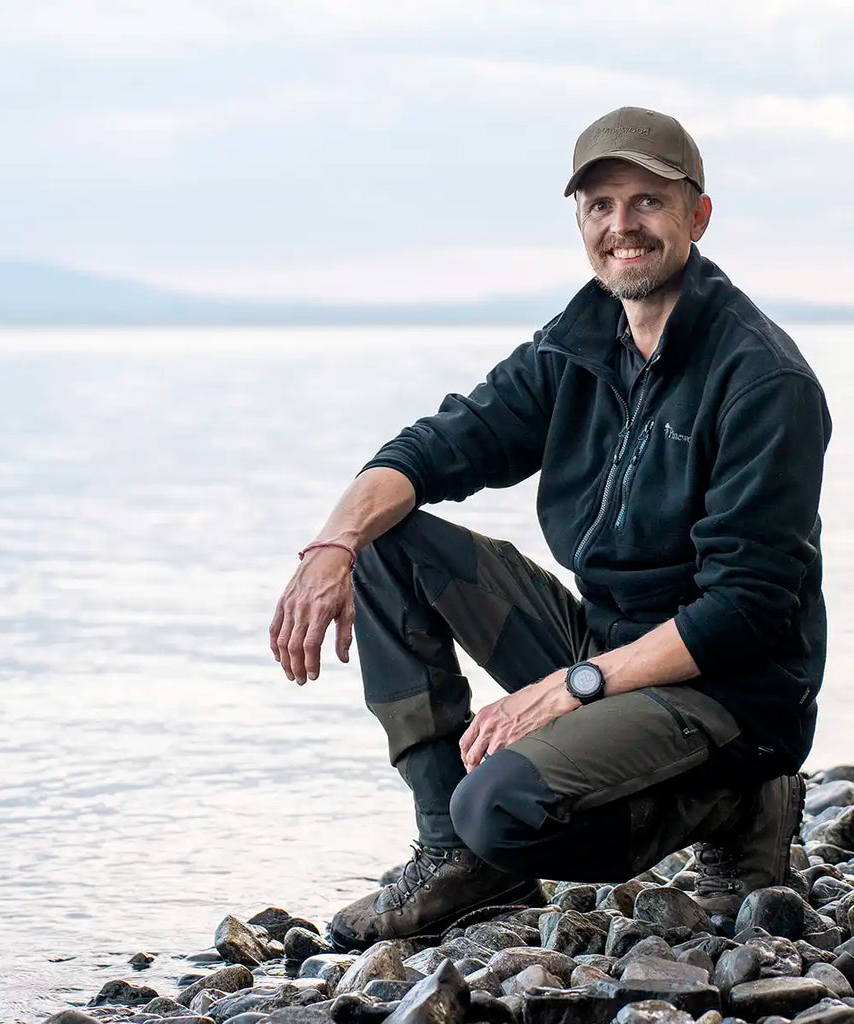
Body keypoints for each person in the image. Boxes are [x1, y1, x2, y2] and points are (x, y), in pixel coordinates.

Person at [269, 106, 831, 951]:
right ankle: (455, 858)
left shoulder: (763, 380)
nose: (621, 226)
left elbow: (744, 611)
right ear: (579, 220)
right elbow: (436, 447)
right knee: (387, 540)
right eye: (600, 205)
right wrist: (331, 545)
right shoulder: (579, 345)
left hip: (729, 692)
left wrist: (573, 687)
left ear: (698, 216)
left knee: (502, 805)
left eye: (648, 202)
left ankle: (734, 800)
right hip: (610, 646)